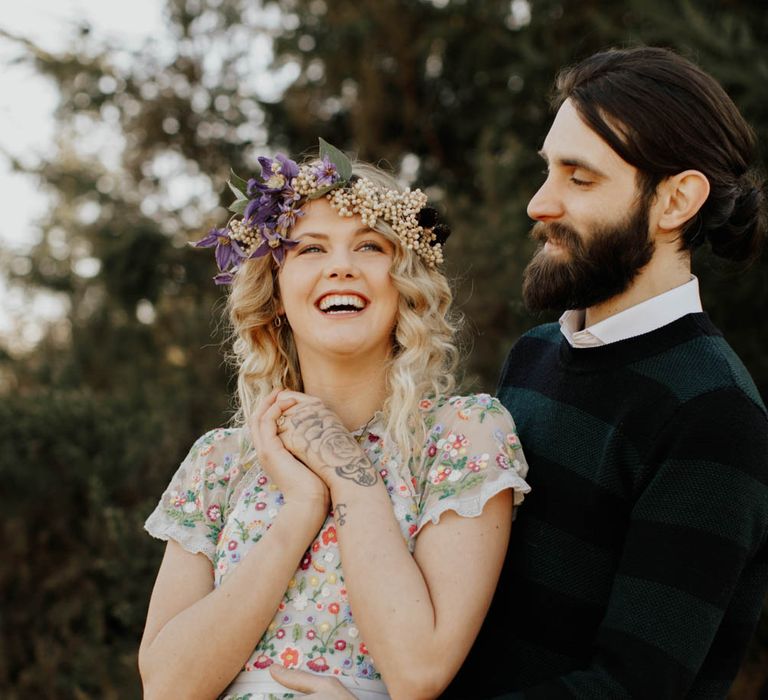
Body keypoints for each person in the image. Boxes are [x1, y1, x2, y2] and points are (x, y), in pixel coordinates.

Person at [138, 141, 530, 700]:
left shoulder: (463, 435)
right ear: (275, 295)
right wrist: (301, 508)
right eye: (310, 249)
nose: (340, 266)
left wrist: (348, 474)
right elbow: (166, 688)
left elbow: (419, 672)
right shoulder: (220, 461)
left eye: (369, 246)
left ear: (404, 285)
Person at [446, 46, 768, 699]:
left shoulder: (714, 412)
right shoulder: (534, 356)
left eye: (579, 178)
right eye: (548, 172)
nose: (540, 204)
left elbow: (631, 688)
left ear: (676, 199)